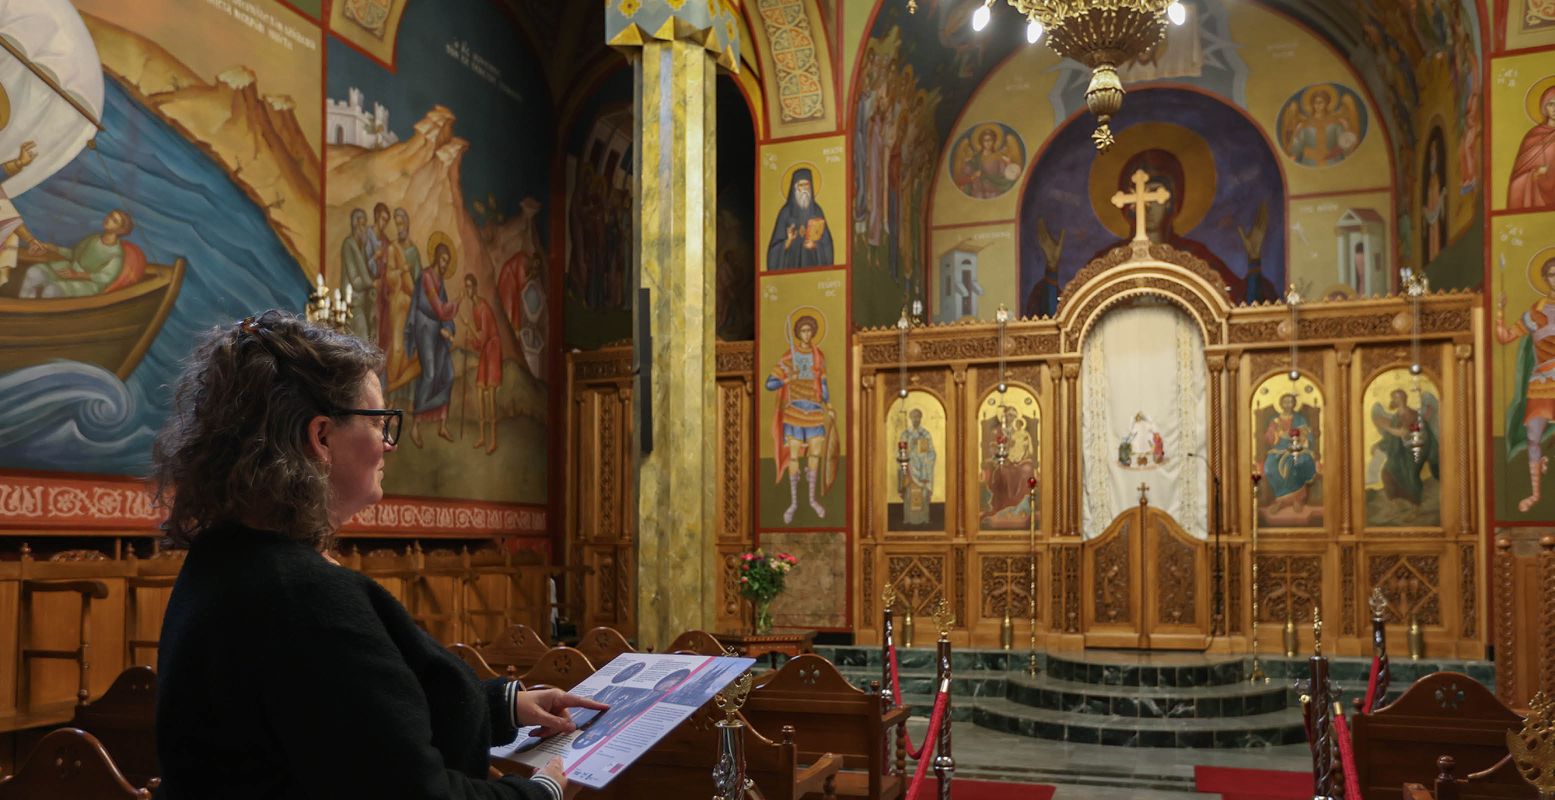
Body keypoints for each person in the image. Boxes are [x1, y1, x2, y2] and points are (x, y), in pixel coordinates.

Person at [149, 310, 605, 799]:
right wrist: (543, 792)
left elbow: (349, 725)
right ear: (321, 438)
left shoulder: (226, 560)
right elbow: (410, 791)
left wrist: (505, 706)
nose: (389, 445)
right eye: (381, 423)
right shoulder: (306, 597)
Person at [1497, 255, 1555, 511]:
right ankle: (1535, 495)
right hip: (1542, 381)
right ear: (1545, 279)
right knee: (1533, 437)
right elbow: (1506, 337)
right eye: (1552, 274)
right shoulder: (1537, 311)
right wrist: (1500, 311)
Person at [765, 312, 834, 523]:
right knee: (794, 457)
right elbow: (769, 383)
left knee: (814, 455)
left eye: (810, 330)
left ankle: (812, 500)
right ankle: (794, 503)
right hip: (794, 411)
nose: (807, 334)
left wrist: (828, 405)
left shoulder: (818, 356)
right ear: (797, 333)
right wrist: (788, 378)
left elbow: (822, 384)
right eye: (803, 330)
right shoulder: (788, 357)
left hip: (813, 410)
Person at [406, 235, 461, 447]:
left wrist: (447, 329)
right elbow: (439, 308)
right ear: (436, 258)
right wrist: (457, 304)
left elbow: (443, 313)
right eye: (443, 259)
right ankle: (415, 426)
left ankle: (442, 424)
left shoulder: (441, 282)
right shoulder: (427, 277)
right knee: (429, 374)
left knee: (447, 373)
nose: (445, 263)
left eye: (448, 260)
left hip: (437, 329)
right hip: (424, 327)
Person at [17, 209, 136, 298]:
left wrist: (77, 275)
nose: (108, 219)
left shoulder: (116, 254)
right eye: (110, 216)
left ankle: (39, 321)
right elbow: (74, 254)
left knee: (51, 290)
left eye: (114, 221)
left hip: (89, 285)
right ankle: (25, 311)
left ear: (121, 230)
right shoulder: (93, 239)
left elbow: (105, 278)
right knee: (34, 273)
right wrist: (54, 248)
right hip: (71, 270)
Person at [1260, 393, 1320, 518]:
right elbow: (1269, 437)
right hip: (1279, 449)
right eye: (1285, 401)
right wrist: (1276, 434)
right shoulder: (1275, 420)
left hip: (1297, 448)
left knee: (1295, 463)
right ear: (1281, 403)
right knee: (1270, 466)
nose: (1288, 404)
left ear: (1294, 403)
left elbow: (1306, 435)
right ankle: (1280, 499)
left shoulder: (1300, 419)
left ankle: (1296, 500)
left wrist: (1297, 439)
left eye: (1290, 401)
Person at [463, 273, 502, 454]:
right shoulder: (474, 308)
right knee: (480, 393)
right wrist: (471, 338)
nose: (468, 290)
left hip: (492, 350)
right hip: (485, 351)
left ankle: (493, 439)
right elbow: (478, 343)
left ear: (475, 287)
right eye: (466, 287)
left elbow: (485, 336)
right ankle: (482, 436)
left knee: (490, 395)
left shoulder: (483, 308)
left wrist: (468, 327)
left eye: (470, 286)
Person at [766, 168, 834, 269]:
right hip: (791, 266)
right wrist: (788, 241)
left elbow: (827, 244)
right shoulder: (785, 213)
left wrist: (815, 246)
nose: (804, 190)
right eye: (800, 185)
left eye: (807, 185)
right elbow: (773, 252)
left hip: (812, 266)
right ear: (795, 188)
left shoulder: (817, 211)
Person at [1508, 85, 1555, 211]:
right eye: (1551, 104)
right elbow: (1517, 177)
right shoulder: (1533, 136)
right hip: (1537, 194)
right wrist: (1535, 173)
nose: (1554, 108)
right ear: (1544, 107)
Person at [341, 207, 377, 343]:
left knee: (370, 337)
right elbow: (355, 281)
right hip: (353, 304)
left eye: (365, 225)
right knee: (361, 337)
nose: (364, 229)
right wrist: (372, 283)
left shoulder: (361, 247)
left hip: (364, 303)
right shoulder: (348, 245)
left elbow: (366, 274)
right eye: (362, 225)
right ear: (355, 225)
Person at [897, 408, 935, 525]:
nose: (916, 419)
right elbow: (901, 452)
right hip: (910, 469)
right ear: (910, 418)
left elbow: (931, 453)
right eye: (914, 417)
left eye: (918, 417)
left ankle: (922, 519)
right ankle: (909, 519)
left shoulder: (925, 434)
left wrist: (924, 456)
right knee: (909, 493)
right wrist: (908, 450)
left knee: (922, 494)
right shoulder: (906, 434)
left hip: (922, 470)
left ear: (921, 418)